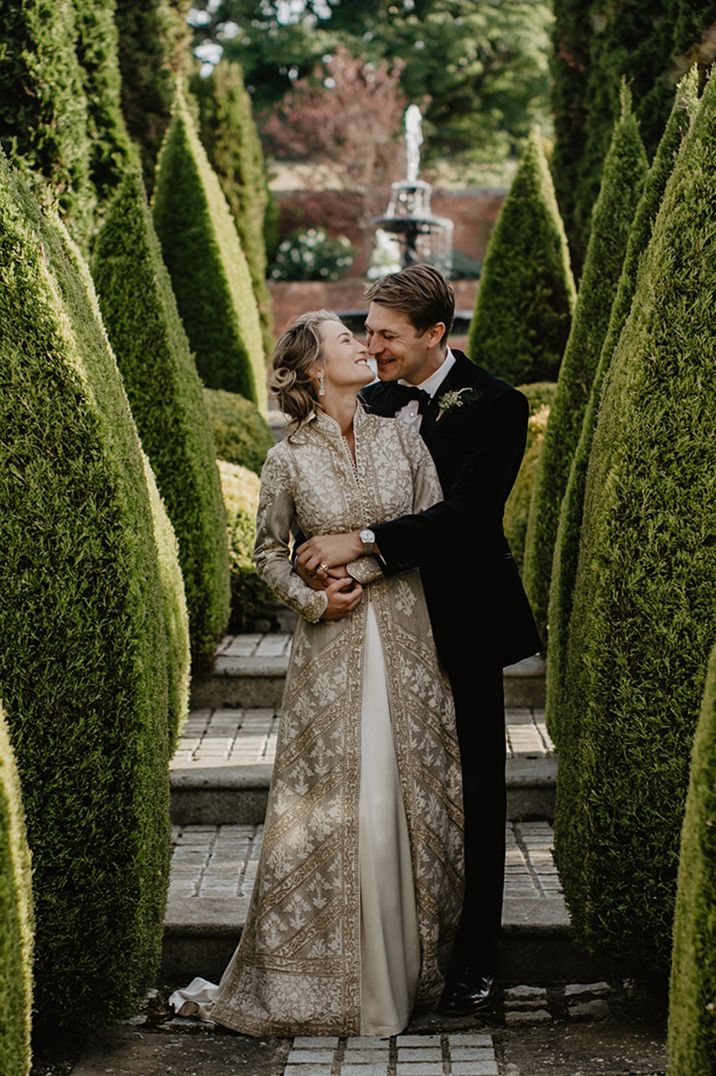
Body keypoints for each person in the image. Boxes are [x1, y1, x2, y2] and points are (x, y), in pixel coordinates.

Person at [170, 311, 464, 1037]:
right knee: (343, 805)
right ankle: (332, 987)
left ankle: (400, 980)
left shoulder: (405, 434)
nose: (364, 346)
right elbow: (270, 554)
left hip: (408, 645)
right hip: (330, 657)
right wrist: (312, 597)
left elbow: (438, 526)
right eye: (345, 340)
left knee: (404, 804)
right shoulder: (287, 460)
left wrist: (352, 556)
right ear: (310, 369)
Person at [295, 265, 542, 1016]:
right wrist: (322, 564)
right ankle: (403, 949)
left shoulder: (498, 406)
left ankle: (475, 961)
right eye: (366, 330)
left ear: (438, 334)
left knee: (475, 791)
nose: (372, 347)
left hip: (462, 620)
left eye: (388, 335)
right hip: (382, 625)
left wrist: (360, 539)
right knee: (393, 789)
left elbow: (467, 521)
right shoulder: (368, 398)